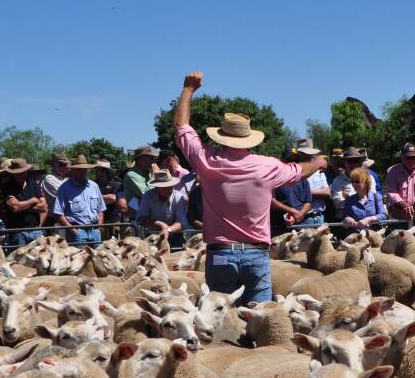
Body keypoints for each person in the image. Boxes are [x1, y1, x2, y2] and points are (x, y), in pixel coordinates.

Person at [173, 71, 322, 305]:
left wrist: (188, 89)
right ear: (249, 137)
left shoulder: (206, 161)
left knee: (222, 318)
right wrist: (317, 163)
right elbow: (299, 171)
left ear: (221, 137)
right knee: (261, 317)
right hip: (256, 254)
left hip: (220, 254)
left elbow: (182, 127)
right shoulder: (267, 166)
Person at [52, 154, 106, 245]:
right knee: (77, 258)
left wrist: (99, 227)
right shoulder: (64, 188)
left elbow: (101, 209)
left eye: (85, 169)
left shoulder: (94, 186)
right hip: (77, 231)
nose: (83, 172)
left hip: (95, 230)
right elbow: (58, 213)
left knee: (97, 258)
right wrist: (72, 229)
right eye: (79, 169)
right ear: (73, 171)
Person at [0, 158, 45, 247]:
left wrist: (20, 205)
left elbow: (43, 207)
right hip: (18, 231)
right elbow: (14, 208)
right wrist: (33, 200)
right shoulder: (7, 187)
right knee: (19, 258)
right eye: (17, 173)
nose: (20, 174)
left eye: (22, 172)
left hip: (35, 229)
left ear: (26, 171)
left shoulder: (33, 183)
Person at [138, 169, 189, 247]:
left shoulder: (178, 197)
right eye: (165, 187)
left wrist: (167, 230)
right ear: (157, 187)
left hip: (174, 236)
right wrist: (160, 224)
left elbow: (182, 221)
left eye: (171, 186)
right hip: (152, 237)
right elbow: (141, 218)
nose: (169, 190)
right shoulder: (147, 196)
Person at [343, 167, 386, 232]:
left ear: (366, 182)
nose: (354, 184)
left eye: (357, 181)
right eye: (352, 182)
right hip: (356, 236)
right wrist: (347, 219)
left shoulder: (376, 197)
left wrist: (369, 219)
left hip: (374, 234)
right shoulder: (349, 200)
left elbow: (383, 215)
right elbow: (345, 216)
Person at [124, 146, 158, 217]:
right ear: (140, 159)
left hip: (151, 217)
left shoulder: (148, 173)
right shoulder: (132, 175)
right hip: (139, 220)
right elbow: (148, 195)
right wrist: (155, 176)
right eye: (151, 158)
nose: (153, 161)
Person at [94, 159, 125, 237]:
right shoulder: (93, 184)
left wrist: (96, 198)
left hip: (113, 221)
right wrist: (105, 199)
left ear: (104, 171)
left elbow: (113, 198)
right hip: (98, 222)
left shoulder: (115, 184)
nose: (95, 171)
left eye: (98, 169)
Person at [42, 152, 71, 226]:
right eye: (61, 165)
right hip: (52, 220)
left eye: (65, 165)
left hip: (66, 218)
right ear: (52, 165)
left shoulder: (66, 179)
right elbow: (64, 194)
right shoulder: (49, 178)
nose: (63, 167)